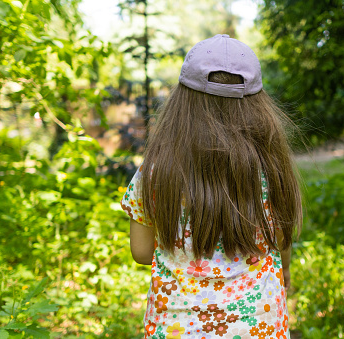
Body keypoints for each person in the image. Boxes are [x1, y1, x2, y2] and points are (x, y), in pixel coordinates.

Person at [121, 34, 302, 339]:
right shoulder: (270, 168)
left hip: (178, 328)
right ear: (258, 105)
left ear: (182, 101)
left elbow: (140, 252)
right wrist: (284, 272)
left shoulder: (155, 170)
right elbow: (281, 239)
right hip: (258, 325)